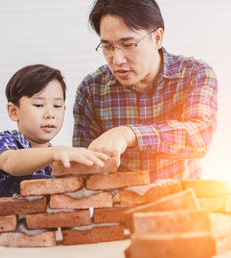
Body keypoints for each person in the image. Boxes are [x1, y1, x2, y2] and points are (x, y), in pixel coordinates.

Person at [73, 0, 218, 182]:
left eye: (128, 45)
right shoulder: (91, 89)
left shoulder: (194, 74)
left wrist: (129, 134)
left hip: (182, 203)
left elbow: (200, 136)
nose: (117, 60)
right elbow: (85, 174)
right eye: (108, 47)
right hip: (117, 207)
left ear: (157, 38)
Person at [0, 64, 107, 217]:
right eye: (39, 105)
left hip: (31, 234)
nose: (50, 114)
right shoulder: (3, 141)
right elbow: (12, 162)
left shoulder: (58, 161)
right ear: (14, 111)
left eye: (57, 106)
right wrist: (54, 152)